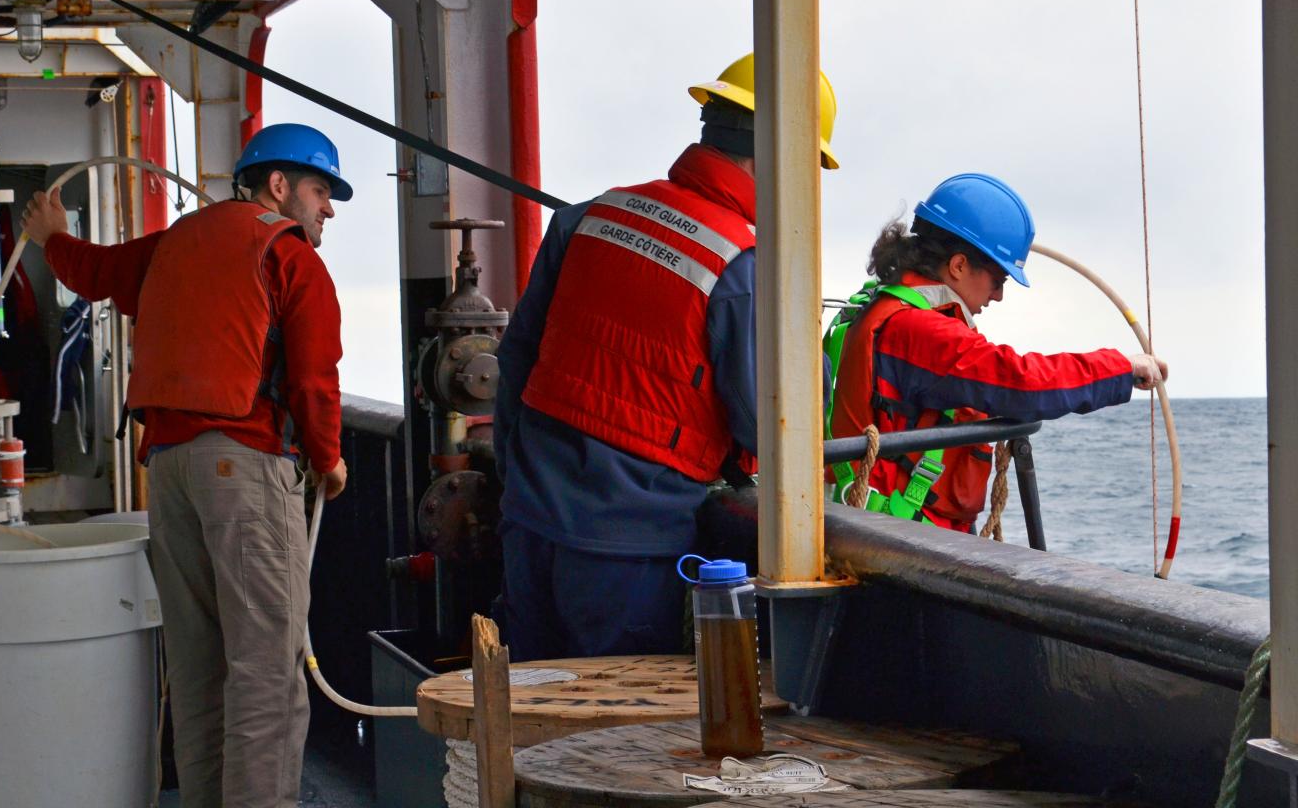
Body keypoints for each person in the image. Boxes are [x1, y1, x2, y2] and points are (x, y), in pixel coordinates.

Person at [21, 123, 351, 808]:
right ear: (279, 185)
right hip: (247, 471)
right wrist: (330, 461)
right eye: (321, 190)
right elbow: (315, 381)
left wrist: (52, 234)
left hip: (167, 474)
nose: (328, 208)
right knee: (267, 675)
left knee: (199, 672)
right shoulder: (292, 259)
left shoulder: (177, 240)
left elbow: (93, 273)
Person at [494, 53, 840, 662]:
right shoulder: (747, 266)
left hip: (529, 524)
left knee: (526, 716)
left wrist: (517, 480)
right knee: (616, 741)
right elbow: (770, 429)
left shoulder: (594, 214)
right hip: (628, 555)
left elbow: (516, 357)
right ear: (782, 160)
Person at [825, 173, 1168, 531]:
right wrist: (1121, 369)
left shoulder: (886, 307)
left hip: (878, 525)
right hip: (899, 535)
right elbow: (1020, 382)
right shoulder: (918, 330)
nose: (999, 296)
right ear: (958, 265)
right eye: (998, 280)